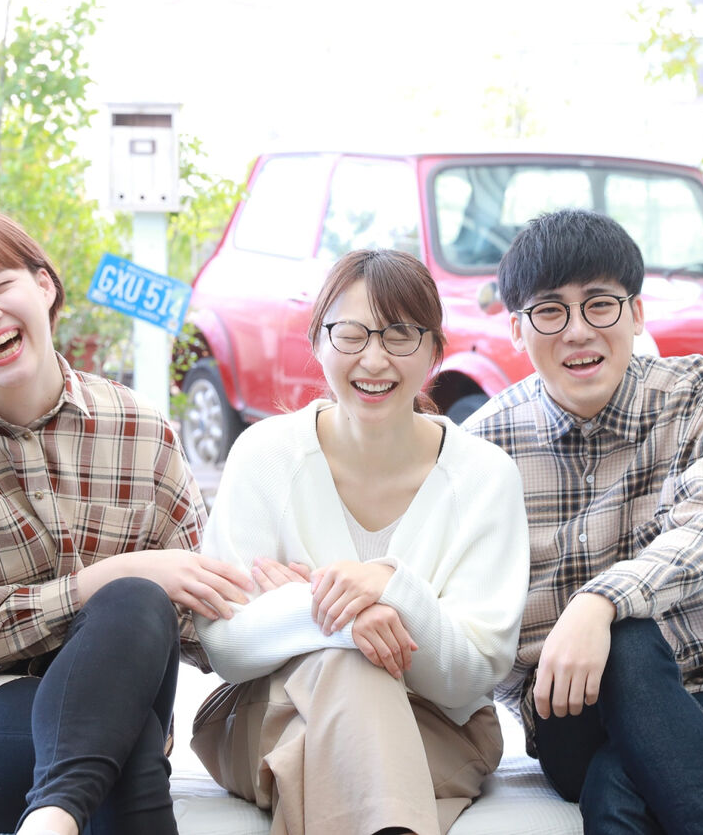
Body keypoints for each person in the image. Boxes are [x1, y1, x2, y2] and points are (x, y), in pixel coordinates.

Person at [0, 207, 254, 835]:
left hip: (117, 696)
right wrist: (104, 578)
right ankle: (58, 814)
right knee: (128, 745)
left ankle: (51, 819)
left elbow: (196, 614)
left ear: (43, 286)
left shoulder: (138, 428)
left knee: (138, 601)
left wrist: (288, 598)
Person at [463, 208, 703, 834]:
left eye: (600, 304)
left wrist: (598, 602)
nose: (578, 331)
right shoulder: (482, 449)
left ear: (637, 313)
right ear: (516, 329)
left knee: (617, 788)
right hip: (573, 710)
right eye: (550, 311)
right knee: (622, 648)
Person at [189, 249, 530, 835]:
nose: (374, 358)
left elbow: (471, 675)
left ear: (435, 349)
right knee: (350, 668)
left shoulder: (484, 475)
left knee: (338, 724)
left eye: (400, 335)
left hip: (435, 729)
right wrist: (347, 618)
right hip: (271, 713)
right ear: (317, 342)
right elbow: (226, 644)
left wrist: (386, 587)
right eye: (350, 335)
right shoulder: (265, 455)